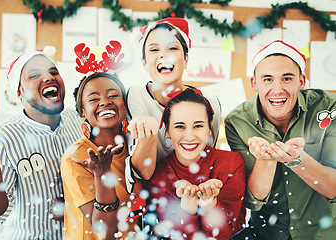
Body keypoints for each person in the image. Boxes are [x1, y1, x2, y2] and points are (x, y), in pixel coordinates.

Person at [225, 40, 336, 240]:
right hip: (265, 233)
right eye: (267, 79)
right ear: (254, 83)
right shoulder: (238, 121)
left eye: (287, 78)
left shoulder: (328, 108)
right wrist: (265, 161)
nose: (277, 89)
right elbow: (253, 200)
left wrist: (298, 160)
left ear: (302, 81)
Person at [0, 47, 83, 239]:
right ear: (20, 91)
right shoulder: (4, 137)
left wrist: (72, 204)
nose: (50, 78)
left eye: (54, 72)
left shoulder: (79, 121)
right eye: (35, 75)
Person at [61, 41, 158, 239]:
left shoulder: (136, 144)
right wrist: (102, 174)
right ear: (83, 113)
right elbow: (104, 229)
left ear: (125, 106)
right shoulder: (76, 156)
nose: (105, 101)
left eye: (113, 95)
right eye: (93, 98)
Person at [147, 88, 246, 240]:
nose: (189, 136)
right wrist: (187, 206)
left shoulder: (231, 163)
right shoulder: (159, 175)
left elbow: (226, 234)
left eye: (198, 126)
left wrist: (209, 205)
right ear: (167, 130)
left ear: (209, 128)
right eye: (179, 126)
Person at [127, 17, 222, 166]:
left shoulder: (210, 103)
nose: (164, 55)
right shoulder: (134, 97)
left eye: (173, 48)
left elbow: (209, 158)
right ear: (144, 63)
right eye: (154, 49)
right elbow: (138, 168)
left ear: (186, 59)